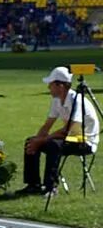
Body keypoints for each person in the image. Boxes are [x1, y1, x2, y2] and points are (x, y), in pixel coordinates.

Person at [19, 66, 99, 196]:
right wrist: (36, 141)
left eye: (51, 84)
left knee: (53, 145)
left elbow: (69, 130)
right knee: (31, 141)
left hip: (84, 141)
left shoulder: (76, 101)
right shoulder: (56, 101)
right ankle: (33, 184)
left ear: (60, 85)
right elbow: (47, 125)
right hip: (70, 138)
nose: (48, 88)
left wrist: (42, 140)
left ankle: (51, 187)